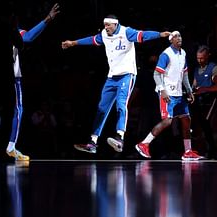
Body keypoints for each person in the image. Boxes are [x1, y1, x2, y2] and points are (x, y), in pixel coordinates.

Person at [61, 15, 170, 154]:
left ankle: (120, 138)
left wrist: (159, 34)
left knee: (121, 103)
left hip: (127, 75)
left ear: (115, 24)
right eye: (105, 25)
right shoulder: (104, 35)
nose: (106, 27)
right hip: (112, 77)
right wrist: (73, 43)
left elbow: (143, 35)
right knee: (102, 108)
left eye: (108, 25)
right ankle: (93, 142)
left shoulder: (126, 32)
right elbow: (92, 40)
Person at [1, 2, 61, 161]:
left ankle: (0, 146)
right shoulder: (11, 31)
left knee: (2, 112)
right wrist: (47, 19)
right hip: (12, 78)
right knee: (18, 110)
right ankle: (10, 146)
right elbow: (28, 38)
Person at [135, 31, 204, 161]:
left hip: (179, 93)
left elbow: (184, 74)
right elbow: (156, 74)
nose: (179, 38)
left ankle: (188, 151)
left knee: (186, 119)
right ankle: (143, 144)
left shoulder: (182, 53)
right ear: (171, 40)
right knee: (168, 121)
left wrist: (189, 90)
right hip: (167, 93)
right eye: (176, 37)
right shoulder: (166, 54)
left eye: (180, 36)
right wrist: (162, 90)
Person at [191, 45, 217, 159]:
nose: (199, 60)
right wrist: (191, 92)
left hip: (211, 100)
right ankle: (198, 150)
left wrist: (204, 89)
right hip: (199, 101)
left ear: (207, 56)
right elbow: (194, 85)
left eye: (202, 58)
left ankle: (212, 150)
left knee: (206, 123)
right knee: (198, 125)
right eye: (198, 58)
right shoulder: (196, 69)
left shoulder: (214, 68)